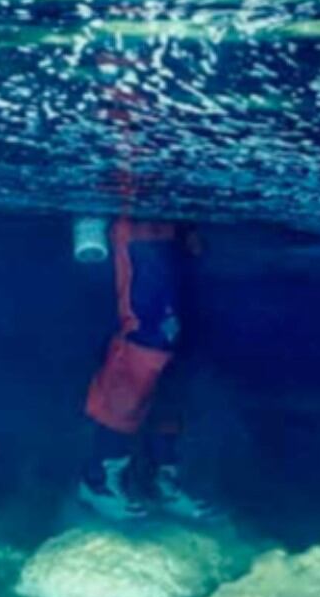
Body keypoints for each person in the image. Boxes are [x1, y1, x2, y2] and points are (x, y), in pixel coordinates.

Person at [74, 215, 220, 522]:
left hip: (166, 226)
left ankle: (158, 476)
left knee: (173, 349)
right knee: (146, 343)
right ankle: (99, 478)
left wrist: (188, 226)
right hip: (140, 227)